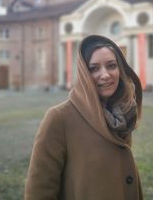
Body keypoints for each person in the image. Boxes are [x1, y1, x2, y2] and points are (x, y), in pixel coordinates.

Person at [25, 35, 143, 200]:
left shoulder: (122, 114)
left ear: (120, 70)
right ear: (83, 73)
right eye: (94, 68)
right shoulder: (59, 118)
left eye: (111, 66)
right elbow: (39, 191)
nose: (105, 75)